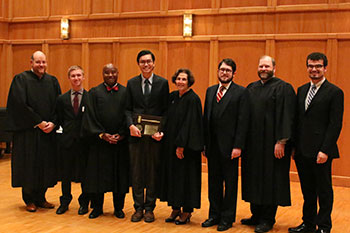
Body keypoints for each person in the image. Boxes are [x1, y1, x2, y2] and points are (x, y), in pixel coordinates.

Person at [288, 52, 343, 233]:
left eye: (318, 66)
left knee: (324, 191)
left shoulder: (335, 92)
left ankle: (324, 226)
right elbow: (297, 121)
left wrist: (325, 150)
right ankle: (308, 224)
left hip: (321, 152)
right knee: (308, 191)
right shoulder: (302, 90)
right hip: (303, 151)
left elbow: (335, 124)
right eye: (311, 66)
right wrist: (294, 147)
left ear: (325, 68)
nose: (314, 69)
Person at [241, 55, 296, 233]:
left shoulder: (284, 88)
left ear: (274, 68)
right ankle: (255, 214)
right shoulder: (251, 88)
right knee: (253, 178)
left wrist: (282, 141)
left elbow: (287, 116)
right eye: (261, 66)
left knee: (270, 180)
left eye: (267, 66)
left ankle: (267, 218)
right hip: (253, 145)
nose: (263, 69)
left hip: (273, 145)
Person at [6, 51, 61, 212]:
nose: (41, 65)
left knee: (45, 165)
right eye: (38, 62)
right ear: (31, 63)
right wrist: (38, 122)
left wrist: (53, 122)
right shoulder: (21, 79)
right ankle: (29, 199)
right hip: (28, 132)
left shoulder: (52, 81)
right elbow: (19, 105)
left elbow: (58, 104)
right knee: (28, 165)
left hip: (47, 133)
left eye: (43, 62)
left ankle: (41, 197)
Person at [202, 58, 249, 231]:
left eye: (228, 70)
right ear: (217, 71)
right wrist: (204, 144)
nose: (224, 73)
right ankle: (214, 215)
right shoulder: (210, 91)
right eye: (222, 69)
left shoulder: (241, 92)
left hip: (230, 148)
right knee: (213, 183)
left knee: (230, 185)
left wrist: (238, 146)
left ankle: (227, 218)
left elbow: (243, 121)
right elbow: (206, 118)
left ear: (234, 73)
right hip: (212, 147)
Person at [126, 50, 169, 223]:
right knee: (136, 173)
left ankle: (150, 208)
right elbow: (127, 109)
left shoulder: (162, 83)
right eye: (142, 61)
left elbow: (166, 111)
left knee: (152, 172)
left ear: (153, 63)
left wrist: (162, 130)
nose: (146, 64)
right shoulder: (131, 83)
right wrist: (130, 125)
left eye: (149, 61)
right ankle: (138, 208)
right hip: (135, 136)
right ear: (138, 64)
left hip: (154, 138)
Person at [82, 63, 129, 219]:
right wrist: (102, 134)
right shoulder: (94, 93)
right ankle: (97, 208)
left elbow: (128, 114)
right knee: (97, 177)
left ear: (117, 73)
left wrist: (121, 134)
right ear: (103, 74)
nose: (110, 75)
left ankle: (118, 208)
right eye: (107, 73)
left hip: (119, 143)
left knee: (119, 177)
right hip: (99, 143)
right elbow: (90, 116)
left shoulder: (125, 92)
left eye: (113, 72)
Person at [159, 68, 204, 225]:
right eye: (178, 79)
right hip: (171, 147)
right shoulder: (172, 97)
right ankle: (175, 208)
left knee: (186, 179)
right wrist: (161, 132)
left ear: (189, 82)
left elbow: (190, 125)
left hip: (186, 150)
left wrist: (181, 146)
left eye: (184, 79)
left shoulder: (193, 99)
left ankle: (186, 211)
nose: (180, 82)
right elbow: (166, 118)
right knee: (174, 179)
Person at [55, 65, 90, 215]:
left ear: (83, 77)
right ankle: (64, 202)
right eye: (73, 76)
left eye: (78, 75)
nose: (76, 78)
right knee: (66, 174)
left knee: (84, 174)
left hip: (84, 142)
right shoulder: (62, 99)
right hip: (67, 141)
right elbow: (59, 119)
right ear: (69, 78)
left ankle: (84, 203)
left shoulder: (90, 97)